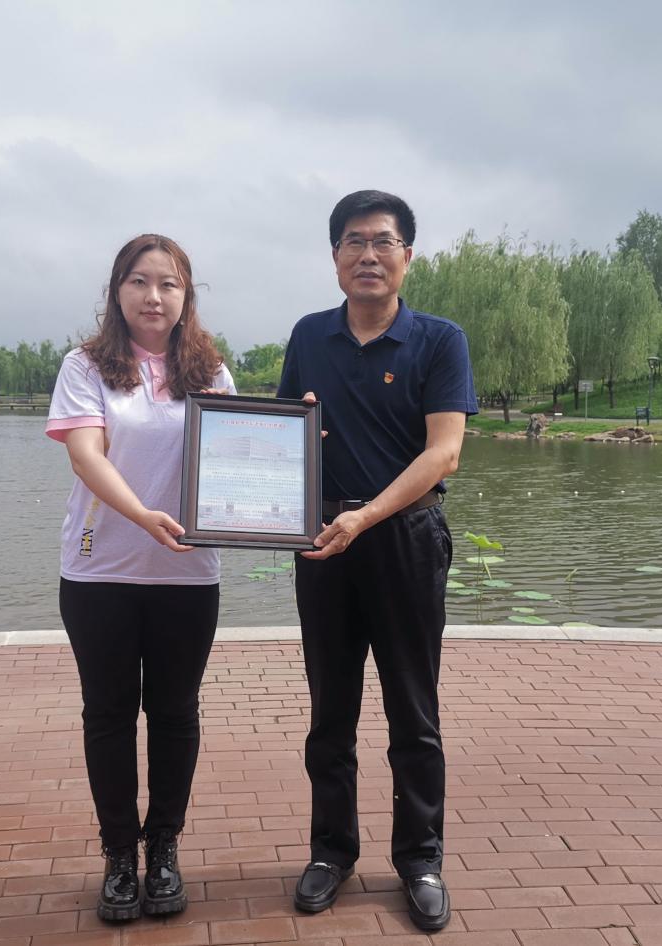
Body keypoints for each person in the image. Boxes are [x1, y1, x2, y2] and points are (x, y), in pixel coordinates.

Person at [277, 191, 476, 932]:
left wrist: (366, 515)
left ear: (407, 257)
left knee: (413, 712)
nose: (368, 255)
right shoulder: (309, 336)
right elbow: (283, 438)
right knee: (329, 711)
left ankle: (420, 860)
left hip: (404, 540)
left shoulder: (439, 340)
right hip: (324, 541)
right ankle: (331, 852)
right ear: (334, 257)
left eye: (383, 242)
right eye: (353, 242)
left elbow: (443, 452)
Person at [46, 234, 234, 923]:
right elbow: (86, 455)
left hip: (188, 575)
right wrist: (141, 515)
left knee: (175, 713)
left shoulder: (211, 372)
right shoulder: (86, 365)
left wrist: (295, 450)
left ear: (187, 296)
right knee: (108, 714)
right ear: (116, 290)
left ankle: (165, 850)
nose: (153, 297)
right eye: (139, 281)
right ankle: (120, 856)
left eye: (168, 284)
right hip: (100, 571)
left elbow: (235, 460)